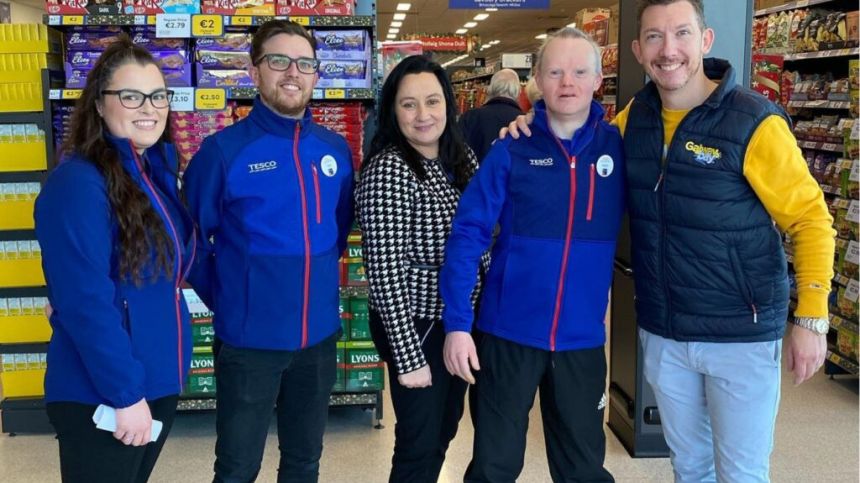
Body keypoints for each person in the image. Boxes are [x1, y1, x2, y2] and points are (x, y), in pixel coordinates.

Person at [504, 1, 835, 481]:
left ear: (705, 40)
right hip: (664, 334)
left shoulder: (752, 122)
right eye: (655, 38)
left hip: (739, 334)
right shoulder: (635, 117)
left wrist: (812, 317)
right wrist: (530, 126)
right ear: (639, 50)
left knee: (742, 473)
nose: (669, 50)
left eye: (681, 33)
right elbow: (576, 140)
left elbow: (810, 220)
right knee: (690, 467)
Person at [440, 27, 622, 483]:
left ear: (599, 79)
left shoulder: (619, 149)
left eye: (580, 71)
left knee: (583, 468)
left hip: (581, 341)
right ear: (535, 79)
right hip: (506, 336)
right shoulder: (510, 148)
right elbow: (467, 235)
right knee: (493, 465)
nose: (567, 82)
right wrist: (458, 325)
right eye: (555, 71)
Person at [182, 20, 354, 483]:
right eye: (278, 61)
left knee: (304, 461)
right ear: (255, 72)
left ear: (317, 74)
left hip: (319, 337)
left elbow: (338, 228)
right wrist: (231, 295)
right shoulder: (223, 152)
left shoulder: (334, 149)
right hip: (248, 341)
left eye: (305, 63)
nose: (292, 73)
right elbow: (192, 237)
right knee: (238, 466)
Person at [35, 36, 196, 483]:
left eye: (158, 95)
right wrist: (124, 395)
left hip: (154, 380)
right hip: (102, 393)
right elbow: (85, 300)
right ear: (100, 105)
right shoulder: (77, 184)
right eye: (131, 95)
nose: (149, 107)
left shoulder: (153, 171)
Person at [355, 55, 486, 483]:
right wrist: (408, 357)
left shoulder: (460, 156)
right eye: (409, 104)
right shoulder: (389, 169)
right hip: (416, 322)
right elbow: (385, 272)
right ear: (393, 110)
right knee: (418, 442)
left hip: (455, 320)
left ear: (448, 103)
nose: (423, 114)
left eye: (432, 101)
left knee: (443, 431)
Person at [458, 68, 524, 162]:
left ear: (490, 89)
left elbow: (456, 153)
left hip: (475, 175)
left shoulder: (470, 117)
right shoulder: (523, 122)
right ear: (519, 91)